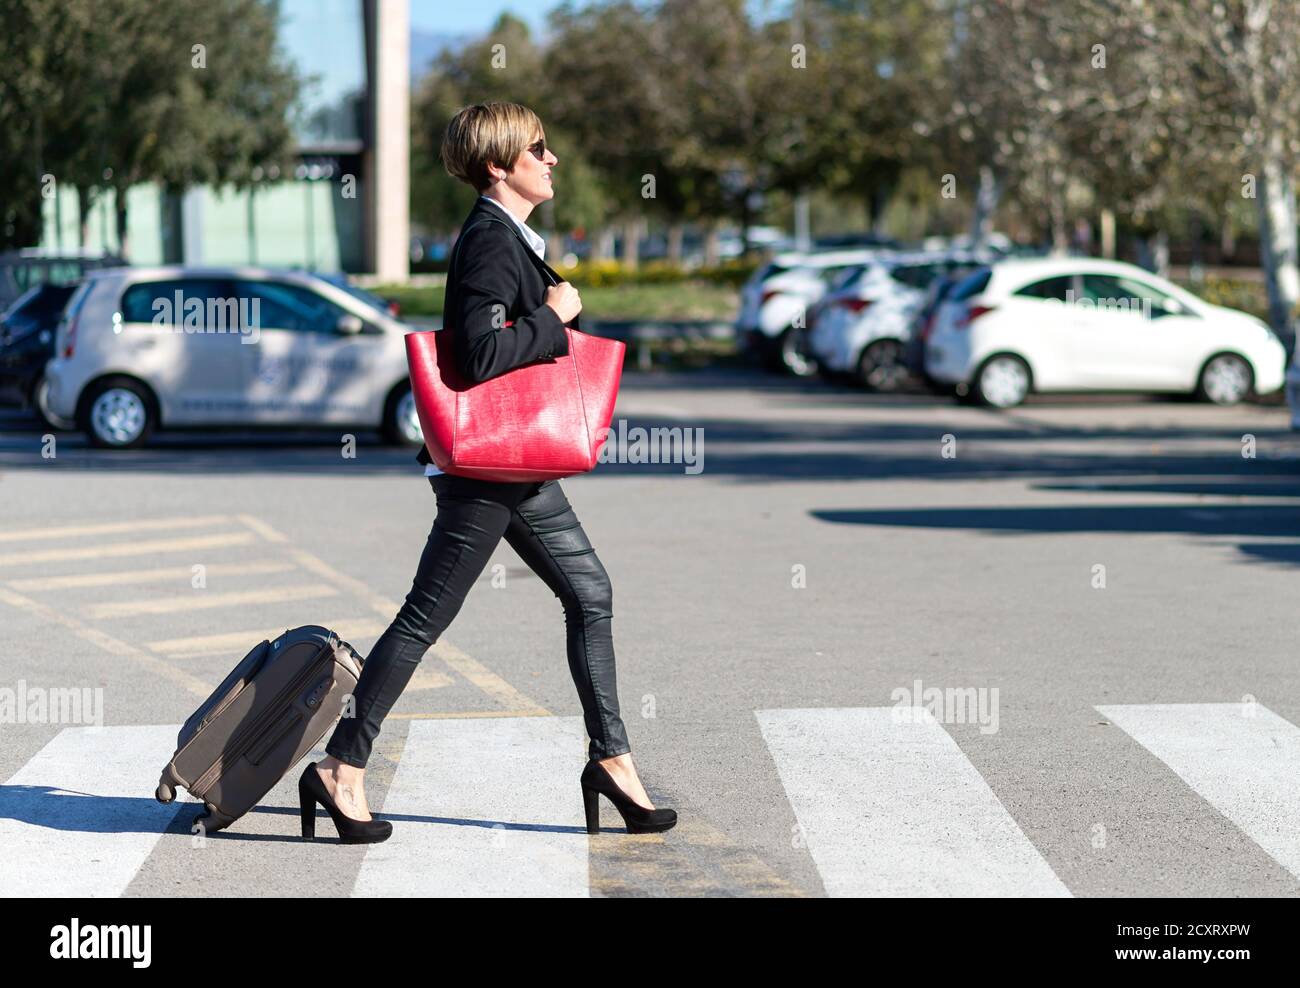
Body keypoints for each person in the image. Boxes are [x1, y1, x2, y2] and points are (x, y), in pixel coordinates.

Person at [298, 101, 677, 843]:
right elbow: (474, 357)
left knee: (589, 592)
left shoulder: (508, 237)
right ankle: (342, 766)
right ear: (500, 165)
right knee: (424, 618)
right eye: (539, 148)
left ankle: (613, 760)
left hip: (516, 466)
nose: (552, 159)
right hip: (487, 469)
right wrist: (556, 317)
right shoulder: (489, 240)